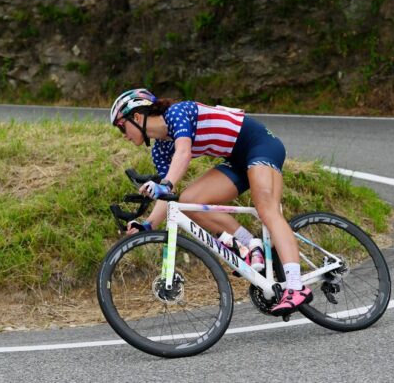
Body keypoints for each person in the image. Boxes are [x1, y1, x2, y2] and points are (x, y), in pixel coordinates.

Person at [110, 88, 311, 315]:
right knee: (188, 201)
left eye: (121, 127)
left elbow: (183, 153)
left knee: (267, 209)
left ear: (136, 117)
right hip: (235, 161)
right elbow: (169, 194)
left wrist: (165, 183)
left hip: (260, 145)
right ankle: (251, 244)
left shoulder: (176, 113)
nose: (123, 135)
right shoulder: (160, 149)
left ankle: (296, 286)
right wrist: (147, 225)